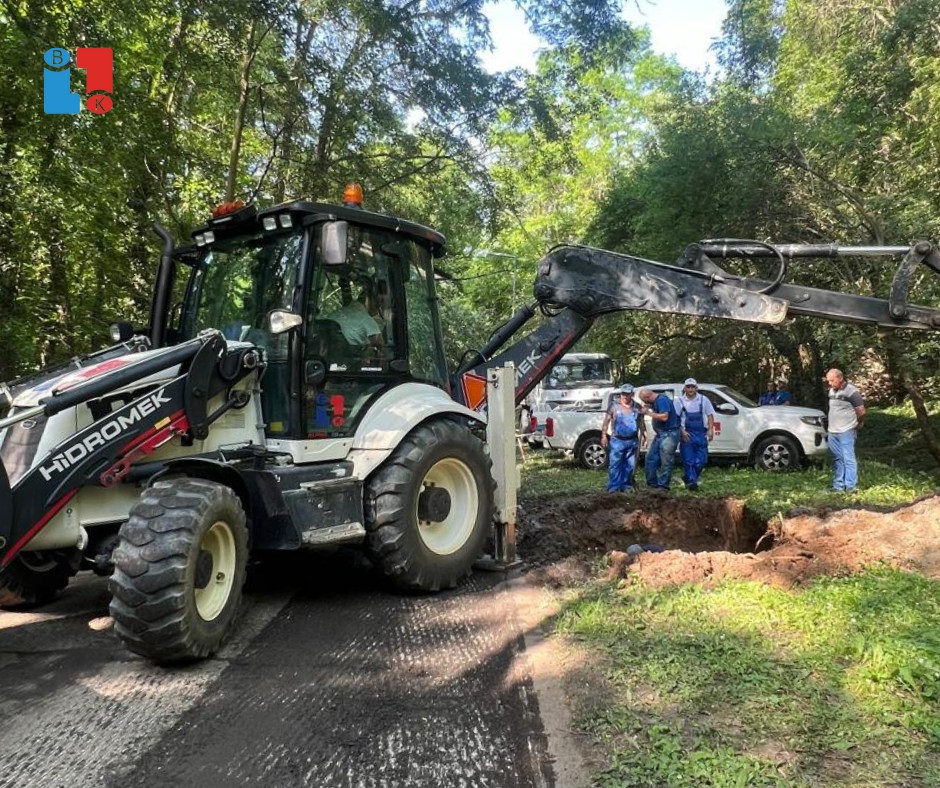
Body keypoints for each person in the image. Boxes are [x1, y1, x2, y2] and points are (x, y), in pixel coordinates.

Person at [825, 368, 866, 493]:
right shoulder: (832, 391)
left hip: (846, 430)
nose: (830, 384)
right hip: (833, 431)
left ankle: (851, 486)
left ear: (840, 378)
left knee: (848, 458)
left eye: (832, 380)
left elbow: (861, 411)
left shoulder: (852, 392)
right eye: (828, 381)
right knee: (838, 458)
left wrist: (859, 423)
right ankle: (838, 486)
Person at [600, 384, 647, 492]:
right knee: (615, 465)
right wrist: (603, 436)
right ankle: (614, 487)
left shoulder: (637, 407)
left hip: (632, 441)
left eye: (627, 394)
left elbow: (640, 422)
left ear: (632, 394)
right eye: (623, 394)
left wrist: (644, 434)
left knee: (629, 465)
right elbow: (606, 422)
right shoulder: (613, 406)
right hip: (617, 441)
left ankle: (627, 486)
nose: (625, 396)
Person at [637, 388, 681, 490]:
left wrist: (648, 412)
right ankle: (652, 484)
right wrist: (647, 407)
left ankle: (663, 486)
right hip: (660, 434)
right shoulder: (655, 401)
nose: (644, 402)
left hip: (669, 434)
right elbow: (651, 406)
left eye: (644, 400)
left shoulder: (662, 400)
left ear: (647, 397)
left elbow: (664, 417)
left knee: (666, 461)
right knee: (650, 458)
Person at [677, 378, 715, 491]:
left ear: (696, 388)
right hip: (687, 434)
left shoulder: (703, 400)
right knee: (688, 460)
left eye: (692, 387)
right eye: (688, 387)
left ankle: (688, 478)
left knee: (701, 461)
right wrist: (682, 431)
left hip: (701, 434)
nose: (690, 389)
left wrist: (710, 429)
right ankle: (692, 484)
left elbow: (710, 415)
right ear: (684, 388)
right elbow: (676, 418)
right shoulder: (679, 401)